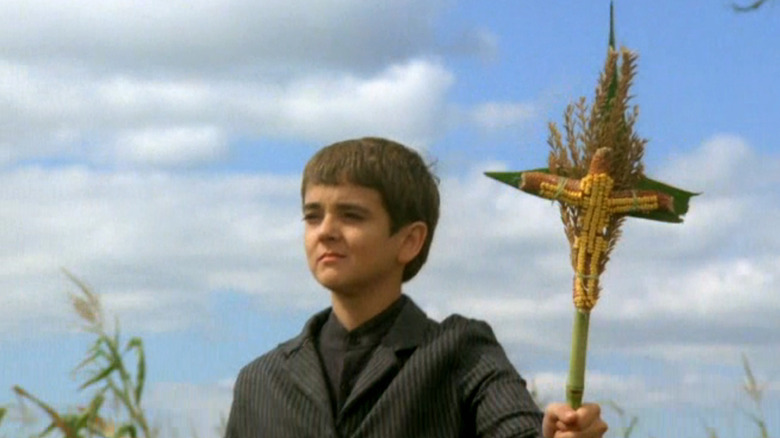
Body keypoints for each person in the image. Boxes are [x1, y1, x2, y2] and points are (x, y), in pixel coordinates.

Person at [225, 137, 609, 438]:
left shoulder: (459, 352)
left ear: (410, 240)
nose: (325, 230)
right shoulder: (261, 381)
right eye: (313, 216)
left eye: (351, 215)